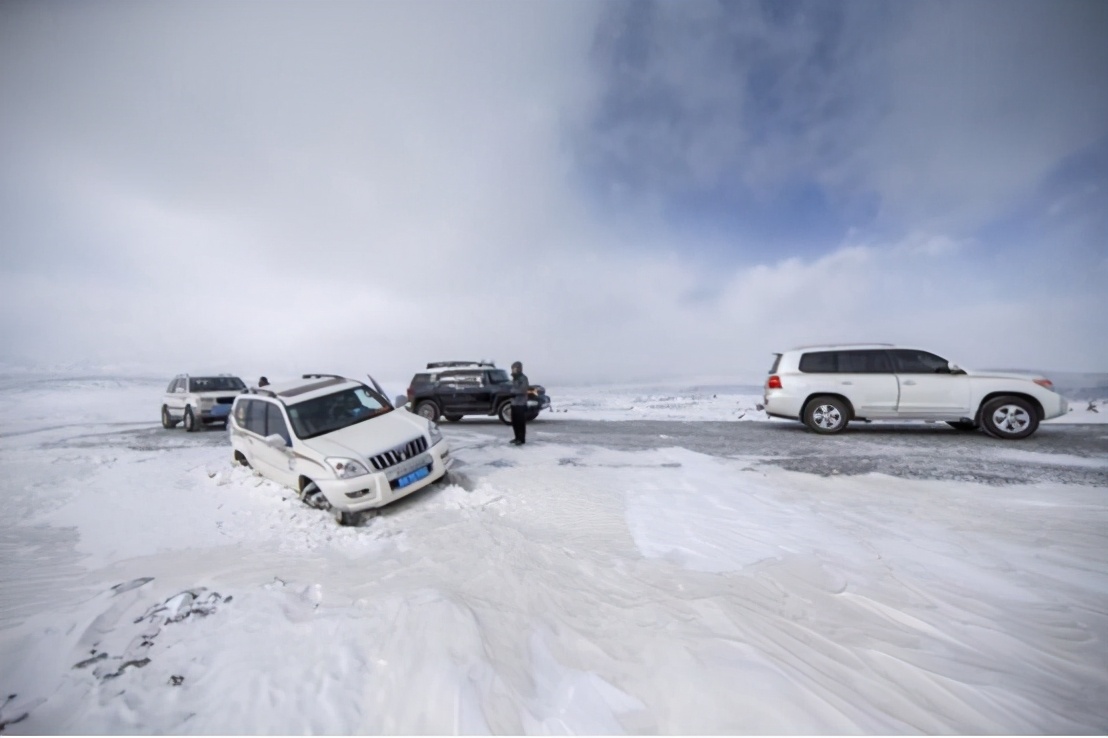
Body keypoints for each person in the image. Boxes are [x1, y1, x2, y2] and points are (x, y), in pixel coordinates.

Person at [509, 361, 529, 445]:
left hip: (521, 403)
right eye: (512, 368)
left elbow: (523, 390)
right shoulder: (514, 378)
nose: (513, 370)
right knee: (515, 422)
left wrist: (513, 392)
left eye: (515, 368)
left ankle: (521, 439)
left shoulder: (523, 378)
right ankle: (516, 437)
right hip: (514, 403)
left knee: (520, 422)